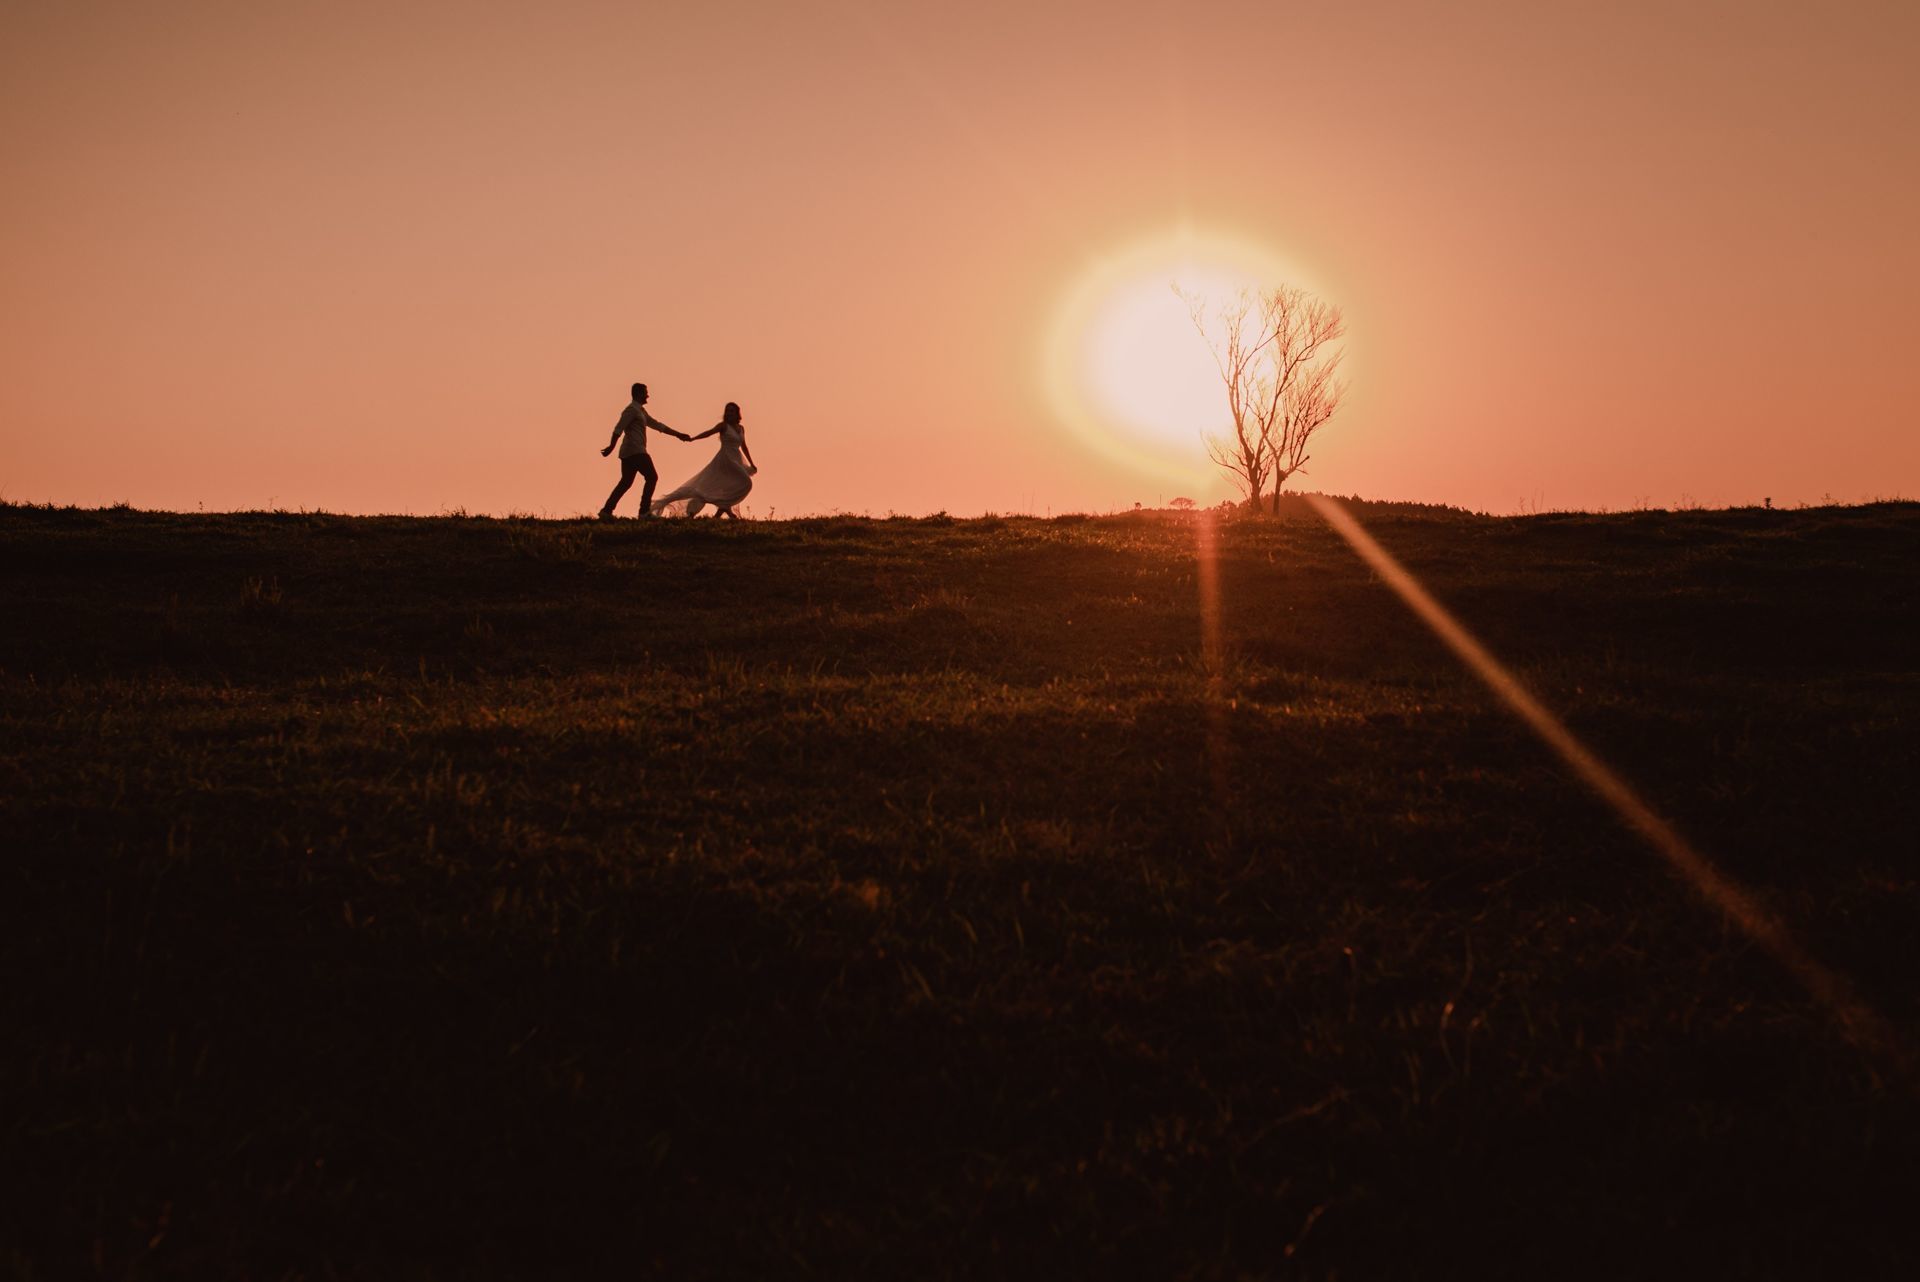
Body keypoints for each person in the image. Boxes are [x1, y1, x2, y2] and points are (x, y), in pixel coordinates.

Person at [598, 383, 689, 519]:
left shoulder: (640, 411)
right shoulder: (631, 410)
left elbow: (657, 425)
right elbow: (618, 428)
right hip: (635, 450)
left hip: (630, 452)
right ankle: (644, 512)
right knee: (652, 477)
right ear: (639, 394)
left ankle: (606, 511)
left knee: (626, 482)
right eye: (646, 392)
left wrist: (678, 434)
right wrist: (611, 446)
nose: (648, 395)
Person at [651, 402, 757, 518]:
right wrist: (694, 438)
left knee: (730, 486)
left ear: (737, 413)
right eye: (727, 411)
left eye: (732, 411)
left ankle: (721, 510)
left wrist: (751, 463)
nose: (729, 413)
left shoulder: (741, 428)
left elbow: (744, 446)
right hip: (725, 459)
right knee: (745, 482)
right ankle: (722, 509)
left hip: (736, 459)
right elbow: (709, 433)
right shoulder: (723, 426)